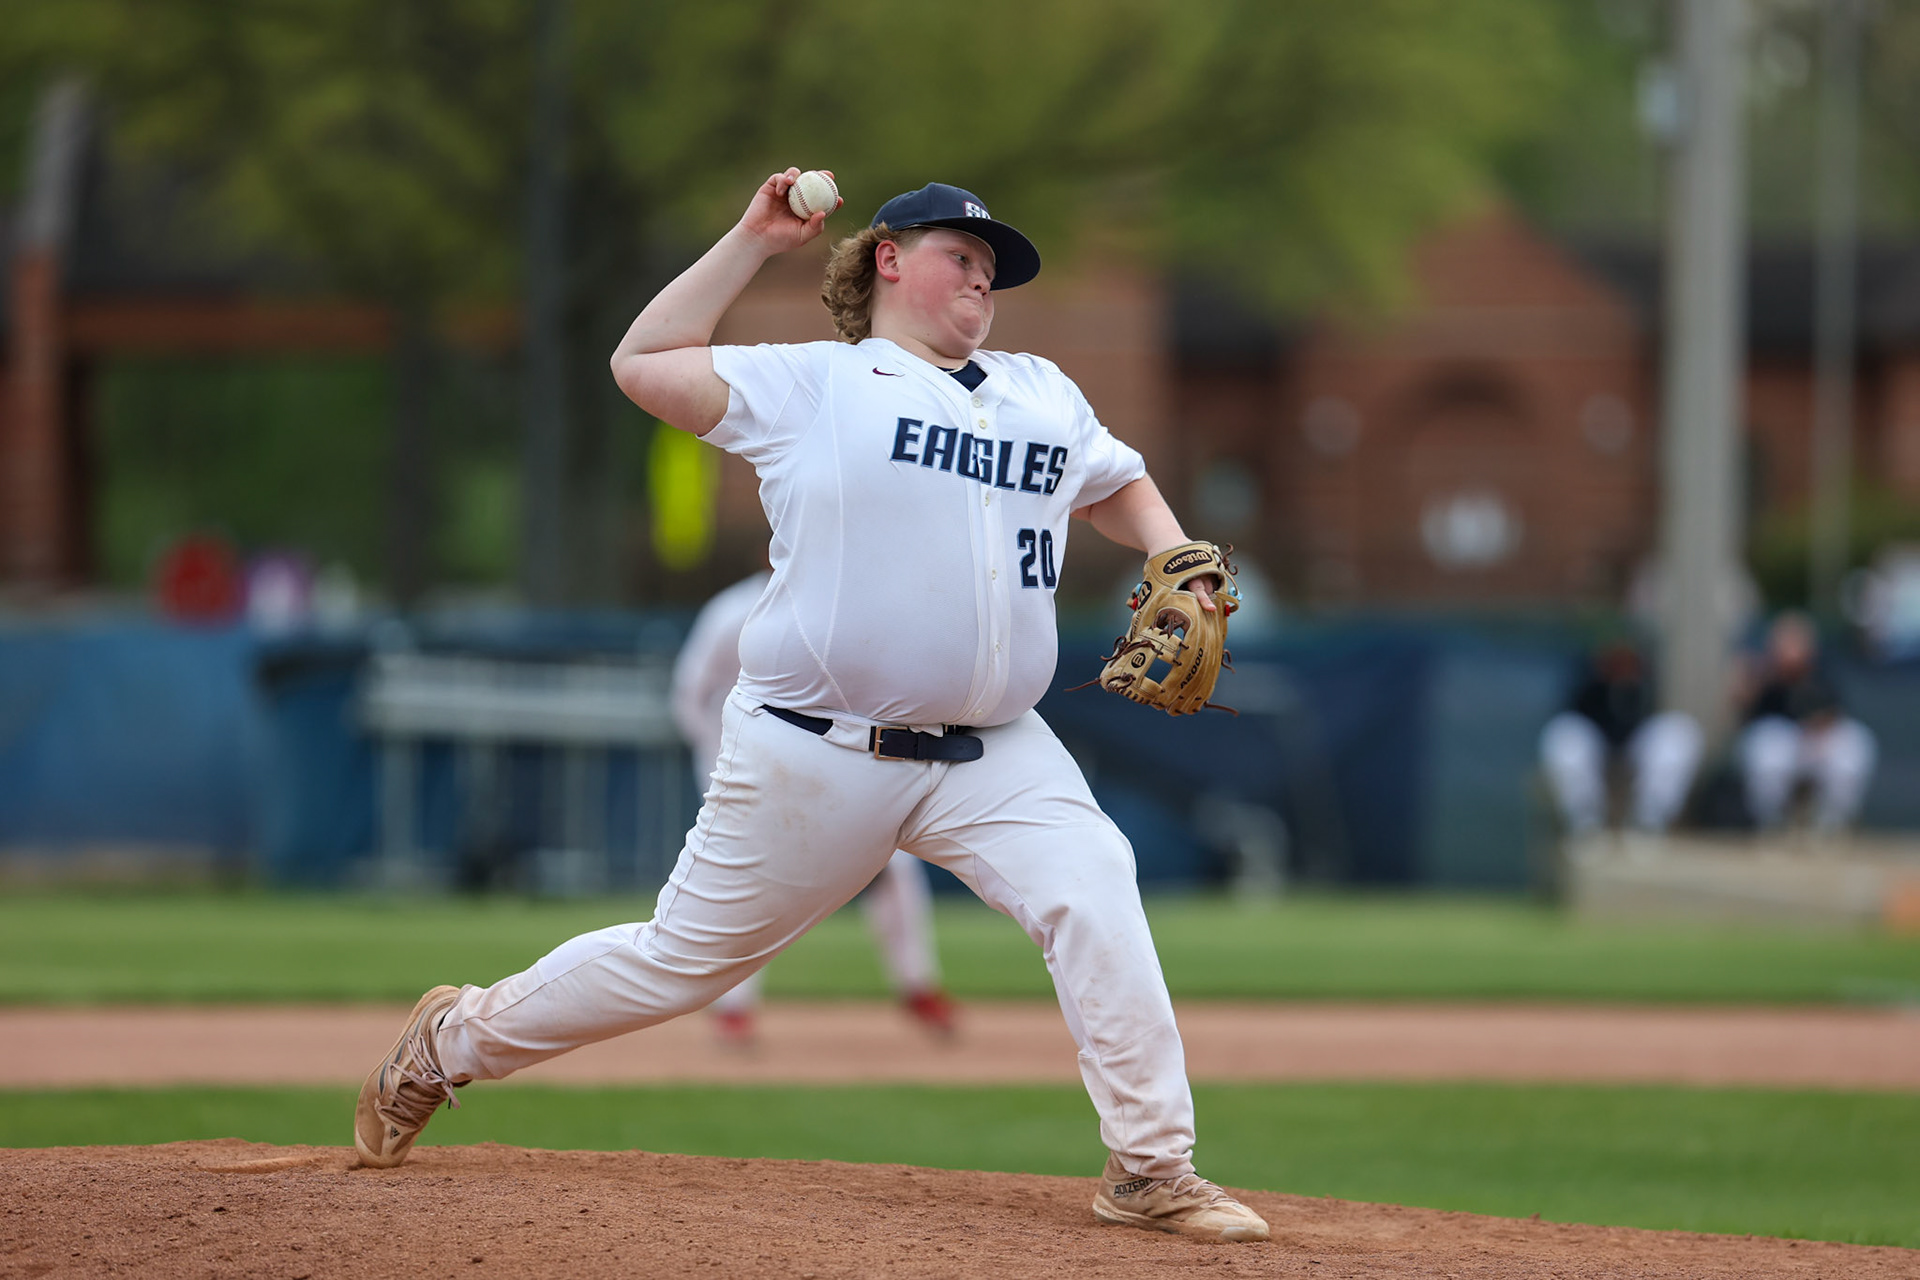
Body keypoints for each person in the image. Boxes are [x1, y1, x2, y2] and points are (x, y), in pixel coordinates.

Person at [353, 170, 1270, 1243]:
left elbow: (1113, 480)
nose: (983, 277)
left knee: (1095, 880)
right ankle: (449, 1042)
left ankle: (1152, 1166)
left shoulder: (1040, 391)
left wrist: (1176, 555)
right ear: (889, 259)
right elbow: (642, 362)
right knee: (680, 963)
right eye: (960, 255)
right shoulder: (815, 385)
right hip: (818, 750)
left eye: (993, 267)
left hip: (996, 750)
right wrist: (751, 240)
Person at [671, 568, 957, 1046]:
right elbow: (689, 694)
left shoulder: (840, 602)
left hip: (828, 762)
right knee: (749, 878)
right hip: (744, 763)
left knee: (896, 868)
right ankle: (733, 1007)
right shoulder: (732, 612)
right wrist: (723, 756)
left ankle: (918, 985)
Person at [1538, 638, 1702, 838]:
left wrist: (1629, 683)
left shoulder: (1646, 675)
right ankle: (1586, 823)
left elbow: (1645, 717)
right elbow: (1574, 712)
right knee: (1563, 733)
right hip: (1595, 746)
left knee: (1680, 731)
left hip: (1635, 748)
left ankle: (1649, 821)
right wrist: (1602, 680)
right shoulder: (1584, 674)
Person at [1738, 612, 1878, 832]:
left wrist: (1818, 731)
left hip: (1817, 741)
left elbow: (1835, 712)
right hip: (1781, 743)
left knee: (1855, 743)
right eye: (1785, 641)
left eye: (1797, 641)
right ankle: (1772, 823)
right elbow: (1745, 712)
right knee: (1766, 752)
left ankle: (1832, 824)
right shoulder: (1762, 673)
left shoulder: (1824, 669)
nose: (1791, 649)